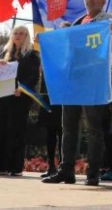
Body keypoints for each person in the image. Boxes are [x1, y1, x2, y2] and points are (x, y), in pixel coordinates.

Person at [42, 0, 112, 186]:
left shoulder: (108, 20)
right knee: (68, 127)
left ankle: (93, 173)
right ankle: (66, 171)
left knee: (93, 127)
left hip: (93, 80)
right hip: (73, 81)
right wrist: (49, 42)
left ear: (103, 1)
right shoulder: (76, 23)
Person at [0, 25, 40, 177]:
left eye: (22, 33)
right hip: (2, 98)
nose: (18, 35)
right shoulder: (4, 52)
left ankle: (15, 167)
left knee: (16, 131)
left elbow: (33, 78)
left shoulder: (32, 55)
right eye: (16, 33)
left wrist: (21, 89)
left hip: (19, 98)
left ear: (26, 36)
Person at [37, 22, 69, 179]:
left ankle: (65, 164)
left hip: (67, 95)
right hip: (49, 95)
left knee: (65, 131)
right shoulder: (50, 50)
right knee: (50, 131)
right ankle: (51, 165)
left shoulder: (73, 50)